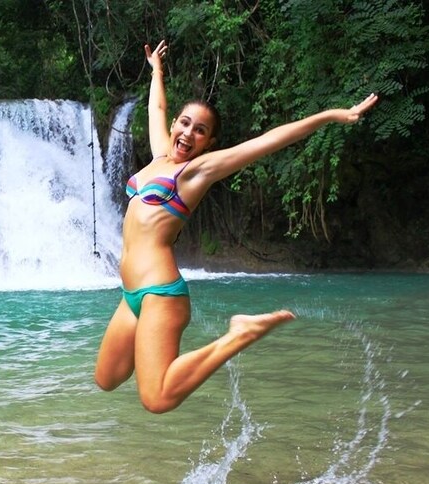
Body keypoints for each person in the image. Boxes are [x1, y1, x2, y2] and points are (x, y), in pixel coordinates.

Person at [94, 40, 379, 414]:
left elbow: (268, 141)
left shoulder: (194, 173)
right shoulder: (159, 155)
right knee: (108, 377)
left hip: (159, 293)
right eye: (184, 122)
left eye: (200, 131)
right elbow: (157, 107)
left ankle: (239, 333)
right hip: (131, 296)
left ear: (209, 142)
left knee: (157, 398)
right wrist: (156, 71)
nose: (187, 133)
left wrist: (329, 116)